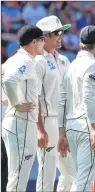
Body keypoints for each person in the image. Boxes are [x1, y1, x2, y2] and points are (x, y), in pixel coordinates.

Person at [58, 25, 95, 191]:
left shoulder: (71, 66)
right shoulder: (92, 65)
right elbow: (88, 98)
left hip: (72, 126)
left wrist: (62, 133)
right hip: (87, 125)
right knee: (83, 181)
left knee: (82, 179)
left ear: (80, 43)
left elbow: (62, 101)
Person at [34, 15, 76, 192]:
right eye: (57, 33)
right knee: (47, 174)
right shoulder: (38, 61)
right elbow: (33, 97)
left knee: (73, 174)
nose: (61, 37)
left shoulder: (64, 60)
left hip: (65, 121)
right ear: (44, 37)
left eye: (63, 32)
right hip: (47, 120)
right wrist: (40, 129)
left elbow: (70, 92)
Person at [1, 25, 44, 191]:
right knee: (19, 176)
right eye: (41, 40)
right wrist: (16, 104)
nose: (43, 43)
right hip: (21, 124)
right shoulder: (26, 61)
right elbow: (9, 80)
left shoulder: (12, 59)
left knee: (15, 175)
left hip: (14, 123)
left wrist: (7, 101)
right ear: (34, 42)